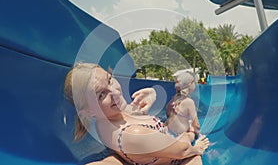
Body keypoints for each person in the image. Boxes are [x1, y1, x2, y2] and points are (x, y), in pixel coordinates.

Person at [64, 63, 209, 165]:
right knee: (192, 146)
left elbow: (130, 115)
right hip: (174, 156)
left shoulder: (105, 120)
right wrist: (196, 147)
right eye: (101, 94)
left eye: (110, 80)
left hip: (148, 148)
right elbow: (182, 150)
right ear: (88, 111)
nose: (115, 92)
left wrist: (153, 94)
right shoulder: (133, 134)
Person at [165, 71, 200, 140]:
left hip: (169, 131)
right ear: (190, 85)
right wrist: (196, 134)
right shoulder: (189, 102)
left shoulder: (175, 97)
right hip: (179, 136)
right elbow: (196, 125)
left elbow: (167, 111)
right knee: (193, 132)